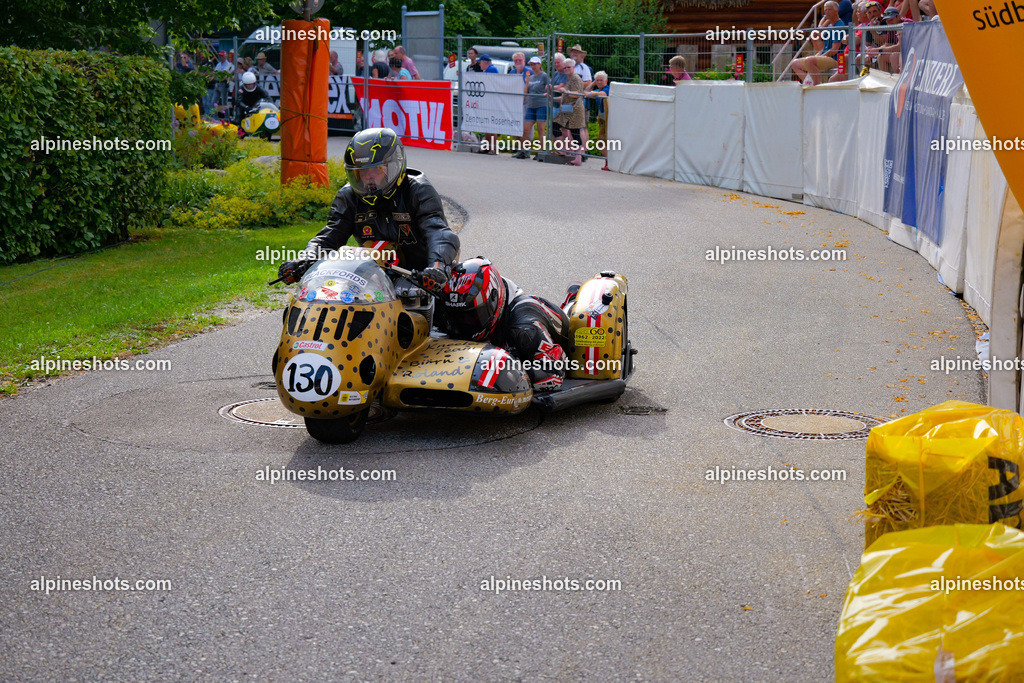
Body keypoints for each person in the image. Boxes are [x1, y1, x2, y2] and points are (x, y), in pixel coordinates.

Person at [277, 128, 459, 295]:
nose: (369, 178)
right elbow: (331, 235)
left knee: (464, 290)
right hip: (374, 276)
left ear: (394, 166)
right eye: (362, 173)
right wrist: (303, 261)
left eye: (376, 170)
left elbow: (439, 232)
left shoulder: (418, 190)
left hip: (421, 275)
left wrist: (437, 266)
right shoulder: (348, 196)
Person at [441, 258, 571, 392]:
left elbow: (553, 374)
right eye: (456, 317)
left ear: (493, 300)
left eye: (472, 316)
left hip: (565, 335)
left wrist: (509, 372)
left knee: (583, 318)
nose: (464, 324)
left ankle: (572, 300)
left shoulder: (525, 328)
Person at [790, 0, 847, 85]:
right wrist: (818, 55)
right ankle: (810, 83)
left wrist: (820, 56)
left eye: (829, 10)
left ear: (836, 11)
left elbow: (834, 50)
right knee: (794, 63)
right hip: (827, 56)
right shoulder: (829, 26)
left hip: (836, 59)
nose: (827, 12)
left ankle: (817, 86)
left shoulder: (839, 26)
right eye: (825, 10)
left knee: (810, 61)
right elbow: (821, 42)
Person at [554, 58, 585, 165]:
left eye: (569, 67)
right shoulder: (570, 78)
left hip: (574, 110)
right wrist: (553, 98)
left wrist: (565, 91)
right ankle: (565, 150)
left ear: (573, 67)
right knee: (558, 126)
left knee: (575, 132)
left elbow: (576, 94)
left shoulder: (575, 78)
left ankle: (577, 157)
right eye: (565, 67)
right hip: (569, 109)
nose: (566, 69)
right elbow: (566, 96)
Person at [519, 56, 550, 160]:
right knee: (525, 129)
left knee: (541, 129)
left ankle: (541, 152)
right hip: (531, 105)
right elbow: (525, 92)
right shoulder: (531, 77)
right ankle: (524, 151)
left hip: (541, 105)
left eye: (535, 64)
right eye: (531, 64)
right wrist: (527, 82)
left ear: (540, 64)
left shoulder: (544, 76)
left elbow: (549, 88)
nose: (533, 66)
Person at [584, 71, 610, 170]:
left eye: (601, 80)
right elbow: (586, 90)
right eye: (597, 80)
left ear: (606, 81)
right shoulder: (597, 88)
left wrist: (591, 93)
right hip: (602, 120)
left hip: (607, 120)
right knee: (603, 143)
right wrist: (593, 83)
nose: (599, 82)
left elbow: (602, 94)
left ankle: (609, 162)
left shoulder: (606, 89)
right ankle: (608, 162)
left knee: (601, 143)